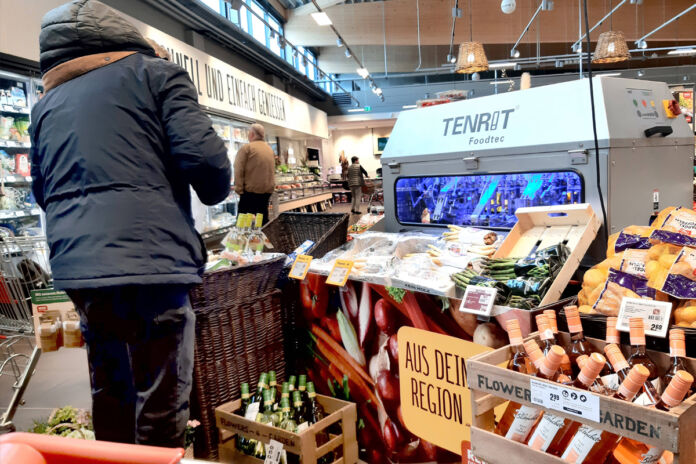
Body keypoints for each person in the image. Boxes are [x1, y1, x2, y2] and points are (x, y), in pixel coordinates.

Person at [30, 0, 231, 448]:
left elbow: (41, 191)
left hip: (79, 269)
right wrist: (214, 189)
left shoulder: (46, 104)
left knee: (111, 390)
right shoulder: (155, 74)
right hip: (151, 259)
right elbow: (206, 162)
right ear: (125, 37)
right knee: (162, 397)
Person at [234, 123, 276, 224]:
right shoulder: (269, 150)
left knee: (243, 226)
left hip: (249, 195)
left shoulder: (247, 148)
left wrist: (239, 190)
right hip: (265, 195)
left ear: (252, 134)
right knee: (262, 224)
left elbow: (238, 169)